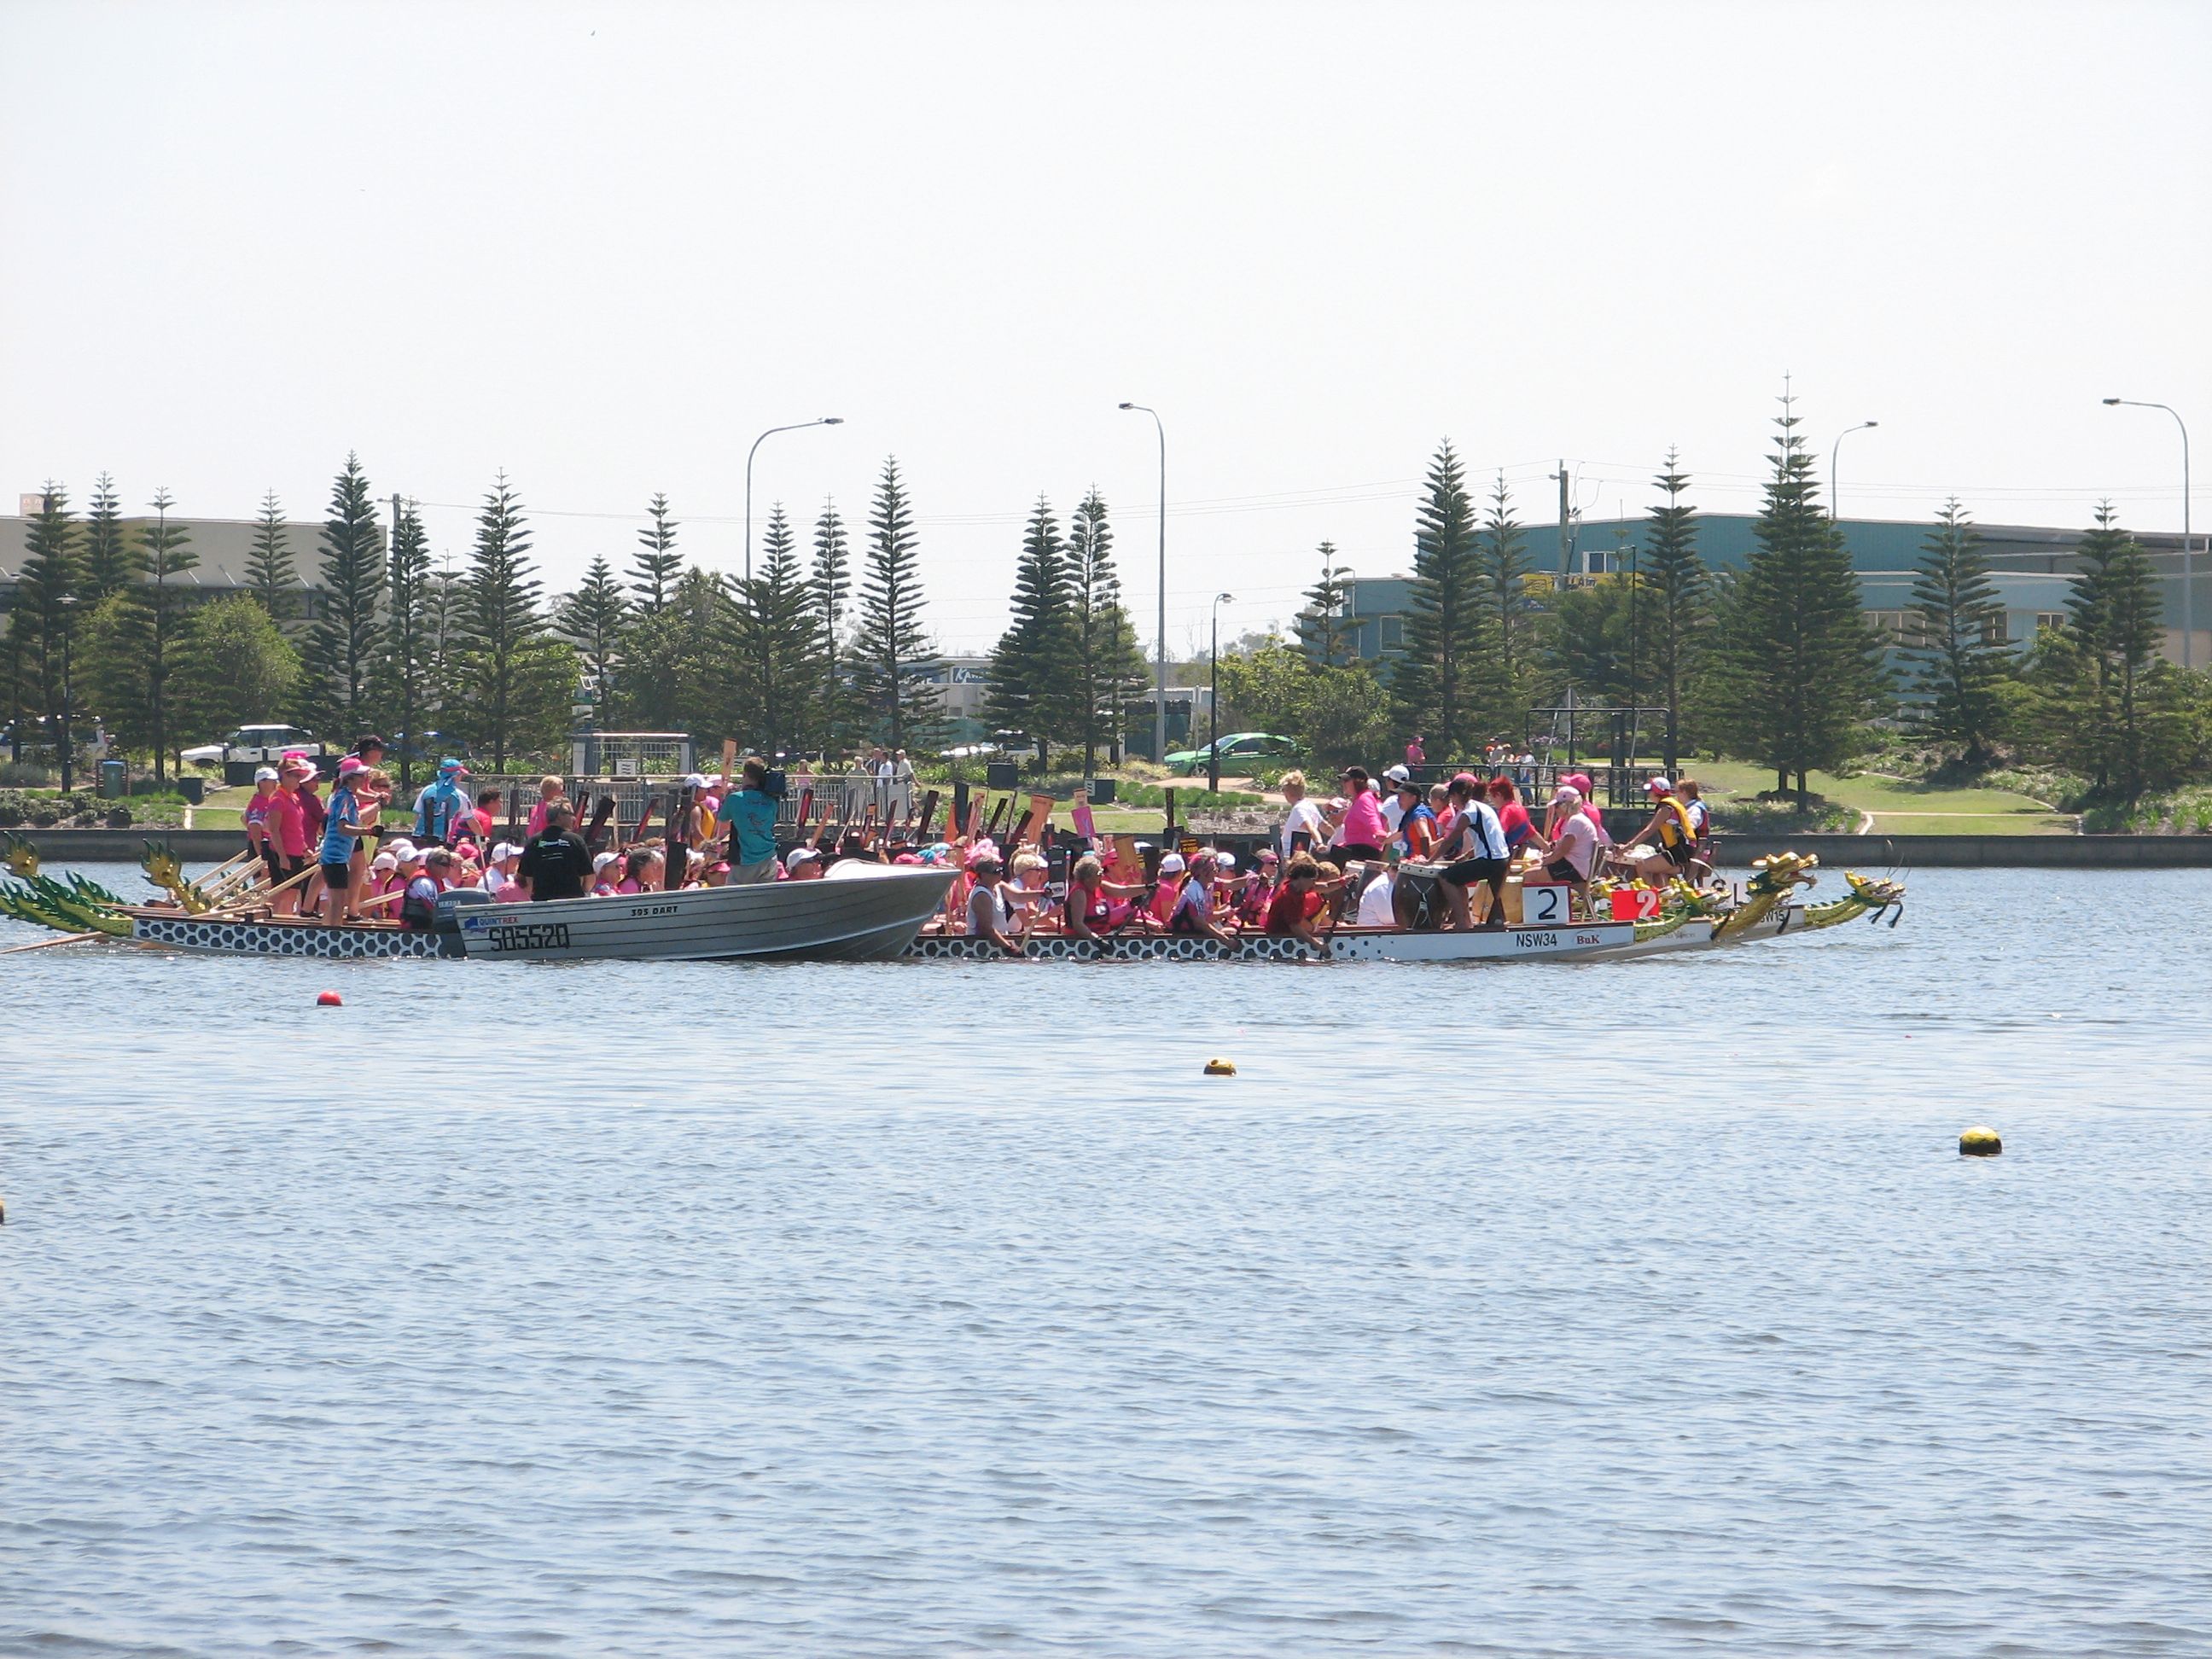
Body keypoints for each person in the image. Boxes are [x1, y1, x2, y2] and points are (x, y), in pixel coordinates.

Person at [1432, 771, 1511, 929]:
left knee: (1445, 877)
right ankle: (1467, 921)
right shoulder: (1483, 807)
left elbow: (1450, 839)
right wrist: (1467, 855)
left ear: (1456, 795)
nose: (1452, 802)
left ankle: (1461, 923)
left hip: (1491, 862)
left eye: (1452, 798)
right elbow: (1490, 839)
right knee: (1458, 878)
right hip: (1502, 859)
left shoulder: (1468, 813)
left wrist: (1430, 860)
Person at [315, 756, 374, 922]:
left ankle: (329, 930)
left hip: (338, 857)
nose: (364, 778)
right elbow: (343, 828)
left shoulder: (347, 796)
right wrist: (368, 831)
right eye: (360, 775)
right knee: (338, 902)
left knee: (337, 901)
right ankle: (333, 932)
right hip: (334, 857)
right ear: (349, 779)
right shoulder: (344, 798)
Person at [1624, 776, 1700, 886]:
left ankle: (1651, 894)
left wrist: (1629, 846)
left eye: (1650, 791)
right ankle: (1665, 893)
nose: (1649, 794)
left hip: (1678, 852)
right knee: (1657, 871)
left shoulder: (1665, 808)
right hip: (1685, 850)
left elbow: (1649, 831)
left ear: (1656, 792)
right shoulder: (1673, 804)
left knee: (1642, 866)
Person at [720, 757, 780, 884]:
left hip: (746, 860)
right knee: (764, 895)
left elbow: (722, 825)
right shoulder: (772, 801)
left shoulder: (734, 799)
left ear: (745, 774)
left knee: (734, 895)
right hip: (770, 857)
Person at [1542, 785, 1600, 916]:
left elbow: (1562, 851)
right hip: (1576, 867)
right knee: (1536, 869)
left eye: (1557, 806)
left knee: (1529, 875)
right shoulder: (1577, 819)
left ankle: (1532, 916)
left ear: (1566, 805)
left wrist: (1544, 862)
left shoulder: (1575, 822)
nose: (1555, 809)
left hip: (1574, 869)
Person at [1063, 854, 1148, 940]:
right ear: (1088, 878)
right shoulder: (1079, 893)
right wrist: (1097, 940)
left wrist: (1147, 888)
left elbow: (1124, 891)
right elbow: (1078, 924)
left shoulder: (1100, 886)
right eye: (1099, 874)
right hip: (1082, 940)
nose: (1102, 876)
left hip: (1102, 935)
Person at [1263, 855, 1330, 951]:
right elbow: (1294, 926)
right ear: (1302, 878)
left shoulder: (1296, 888)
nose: (1314, 884)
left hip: (1285, 939)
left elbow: (1326, 886)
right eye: (1313, 881)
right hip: (1277, 942)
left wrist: (1342, 882)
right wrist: (1315, 943)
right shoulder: (1288, 896)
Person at [1168, 849, 1237, 940]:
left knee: (1231, 931)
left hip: (1194, 931)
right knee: (1230, 932)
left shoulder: (1209, 884)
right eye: (1214, 870)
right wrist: (1226, 940)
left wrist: (1251, 879)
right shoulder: (1193, 890)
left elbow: (1231, 884)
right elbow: (1199, 923)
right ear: (1203, 872)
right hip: (1183, 935)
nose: (1216, 872)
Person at [964, 852, 1023, 956]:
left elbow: (1019, 897)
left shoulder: (999, 887)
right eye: (996, 871)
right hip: (981, 951)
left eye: (1001, 870)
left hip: (997, 947)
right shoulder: (982, 895)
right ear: (983, 875)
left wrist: (1042, 894)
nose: (1001, 874)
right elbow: (986, 929)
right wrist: (1009, 948)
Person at [1330, 767, 1387, 864]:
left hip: (1362, 852)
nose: (1343, 783)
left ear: (1358, 781)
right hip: (1356, 849)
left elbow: (1371, 816)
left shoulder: (1364, 799)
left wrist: (1378, 830)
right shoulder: (1359, 799)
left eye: (1347, 780)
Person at [413, 759, 474, 845]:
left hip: (420, 839)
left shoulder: (426, 790)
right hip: (443, 842)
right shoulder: (460, 796)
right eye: (460, 775)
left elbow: (417, 815)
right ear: (455, 775)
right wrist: (482, 837)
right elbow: (471, 822)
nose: (461, 777)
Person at [1487, 776, 1545, 860]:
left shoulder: (1506, 811)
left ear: (1499, 795)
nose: (1491, 800)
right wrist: (1546, 848)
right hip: (1518, 853)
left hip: (1506, 857)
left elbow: (1499, 834)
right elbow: (1531, 833)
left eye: (1491, 797)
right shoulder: (1520, 809)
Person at [1278, 771, 1328, 861]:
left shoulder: (1298, 809)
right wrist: (1338, 836)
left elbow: (1310, 827)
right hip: (1305, 855)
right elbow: (1325, 826)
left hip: (1292, 857)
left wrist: (1319, 843)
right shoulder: (1310, 806)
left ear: (1287, 791)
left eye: (1283, 790)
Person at [526, 775, 568, 839]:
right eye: (561, 791)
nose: (563, 794)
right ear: (552, 792)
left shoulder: (537, 807)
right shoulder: (552, 809)